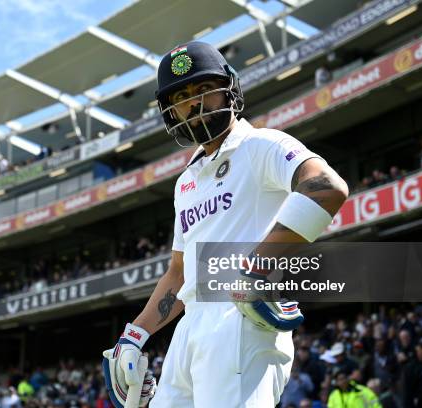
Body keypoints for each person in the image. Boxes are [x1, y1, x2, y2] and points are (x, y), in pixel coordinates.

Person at [101, 41, 348, 407]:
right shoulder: (185, 182)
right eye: (182, 96)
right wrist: (134, 335)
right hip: (188, 333)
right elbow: (180, 272)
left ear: (229, 89)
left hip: (241, 319)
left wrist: (256, 269)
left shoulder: (261, 144)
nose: (194, 104)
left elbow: (326, 188)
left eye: (203, 89)